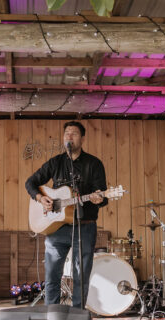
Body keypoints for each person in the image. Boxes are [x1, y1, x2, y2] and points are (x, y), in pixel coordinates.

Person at [25, 121, 108, 308]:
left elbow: (103, 196)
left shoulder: (94, 164)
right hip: (57, 227)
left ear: (83, 138)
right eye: (66, 133)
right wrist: (40, 198)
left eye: (74, 133)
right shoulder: (56, 162)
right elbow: (30, 182)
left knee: (81, 275)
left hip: (85, 226)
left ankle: (77, 318)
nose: (69, 136)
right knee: (52, 274)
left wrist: (99, 198)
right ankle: (51, 315)